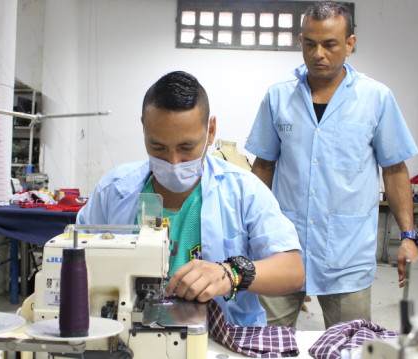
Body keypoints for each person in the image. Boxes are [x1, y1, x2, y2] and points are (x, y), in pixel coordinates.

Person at [77, 71, 304, 327]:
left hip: (225, 334)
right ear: (144, 127)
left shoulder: (244, 191)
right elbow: (74, 255)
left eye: (186, 148)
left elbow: (293, 270)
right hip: (128, 330)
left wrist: (231, 274)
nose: (173, 162)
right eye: (158, 147)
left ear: (211, 131)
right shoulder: (113, 191)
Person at [245, 1, 418, 329]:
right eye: (310, 44)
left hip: (347, 255)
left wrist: (408, 236)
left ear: (350, 44)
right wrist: (247, 229)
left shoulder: (375, 99)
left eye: (329, 44)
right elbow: (263, 166)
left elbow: (395, 170)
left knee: (349, 346)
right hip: (284, 248)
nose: (318, 54)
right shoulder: (278, 98)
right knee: (262, 343)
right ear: (300, 42)